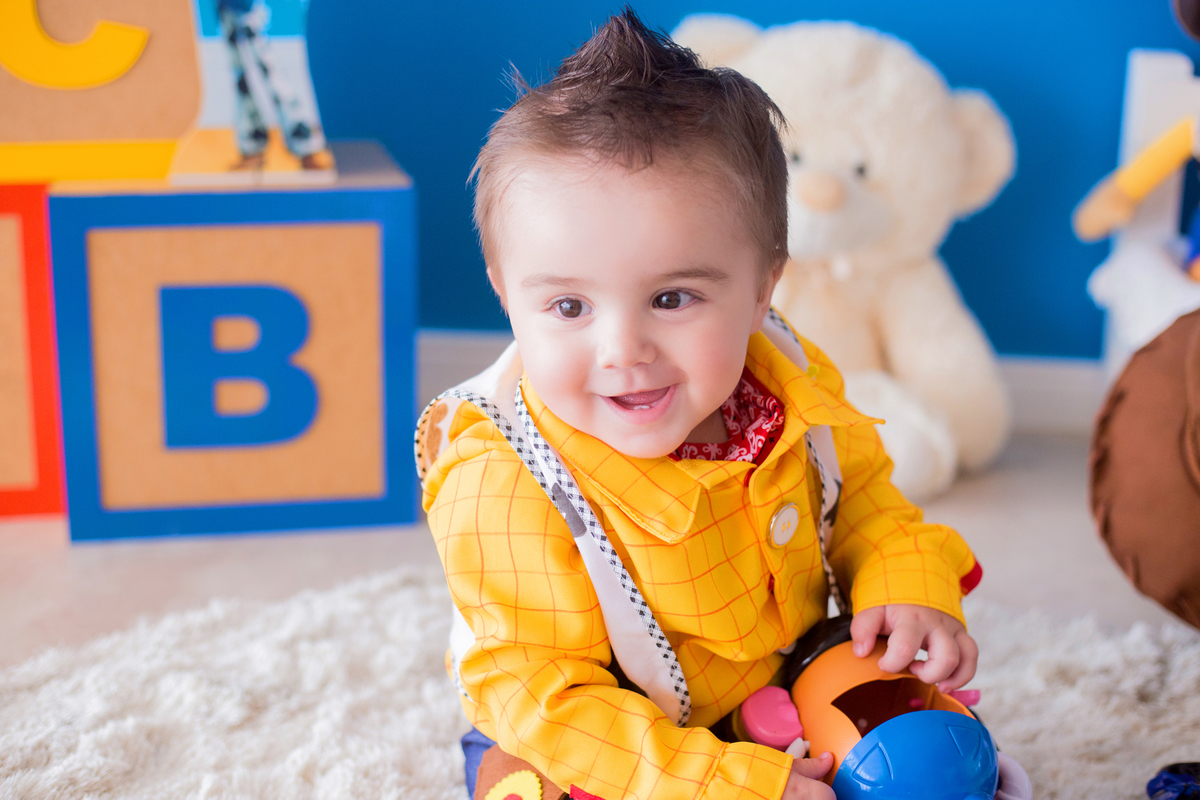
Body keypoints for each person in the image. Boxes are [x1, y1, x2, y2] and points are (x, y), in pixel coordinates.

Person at [417, 10, 983, 800]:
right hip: (609, 734)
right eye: (570, 308)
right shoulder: (504, 477)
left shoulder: (785, 377)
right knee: (537, 782)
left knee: (928, 748)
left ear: (761, 291)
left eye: (672, 297)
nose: (624, 350)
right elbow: (546, 697)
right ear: (508, 297)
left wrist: (908, 592)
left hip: (779, 675)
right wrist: (720, 780)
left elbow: (869, 510)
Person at [216, 0, 331, 171]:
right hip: (227, 7)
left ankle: (305, 144)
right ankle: (253, 145)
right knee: (241, 73)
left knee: (269, 67)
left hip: (248, 8)